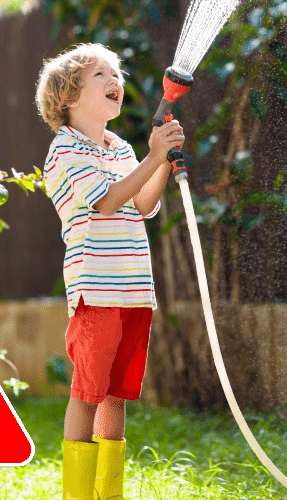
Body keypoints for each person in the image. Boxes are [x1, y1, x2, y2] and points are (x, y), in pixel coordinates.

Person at [36, 43, 185, 499]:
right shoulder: (64, 150)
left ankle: (109, 494)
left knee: (116, 395)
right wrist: (152, 157)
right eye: (101, 74)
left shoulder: (119, 148)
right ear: (69, 96)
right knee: (88, 393)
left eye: (116, 73)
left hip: (133, 289)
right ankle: (79, 495)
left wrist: (160, 159)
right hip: (96, 290)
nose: (114, 80)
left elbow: (143, 204)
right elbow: (105, 200)